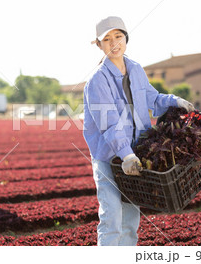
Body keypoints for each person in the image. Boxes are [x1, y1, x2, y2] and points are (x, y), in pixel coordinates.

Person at [83, 16, 194, 246]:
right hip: (109, 158)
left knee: (131, 222)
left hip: (134, 154)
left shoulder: (135, 69)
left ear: (126, 38)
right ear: (99, 45)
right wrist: (126, 155)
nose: (114, 43)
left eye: (118, 36)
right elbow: (109, 123)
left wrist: (175, 101)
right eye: (107, 39)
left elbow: (152, 99)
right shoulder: (97, 81)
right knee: (112, 217)